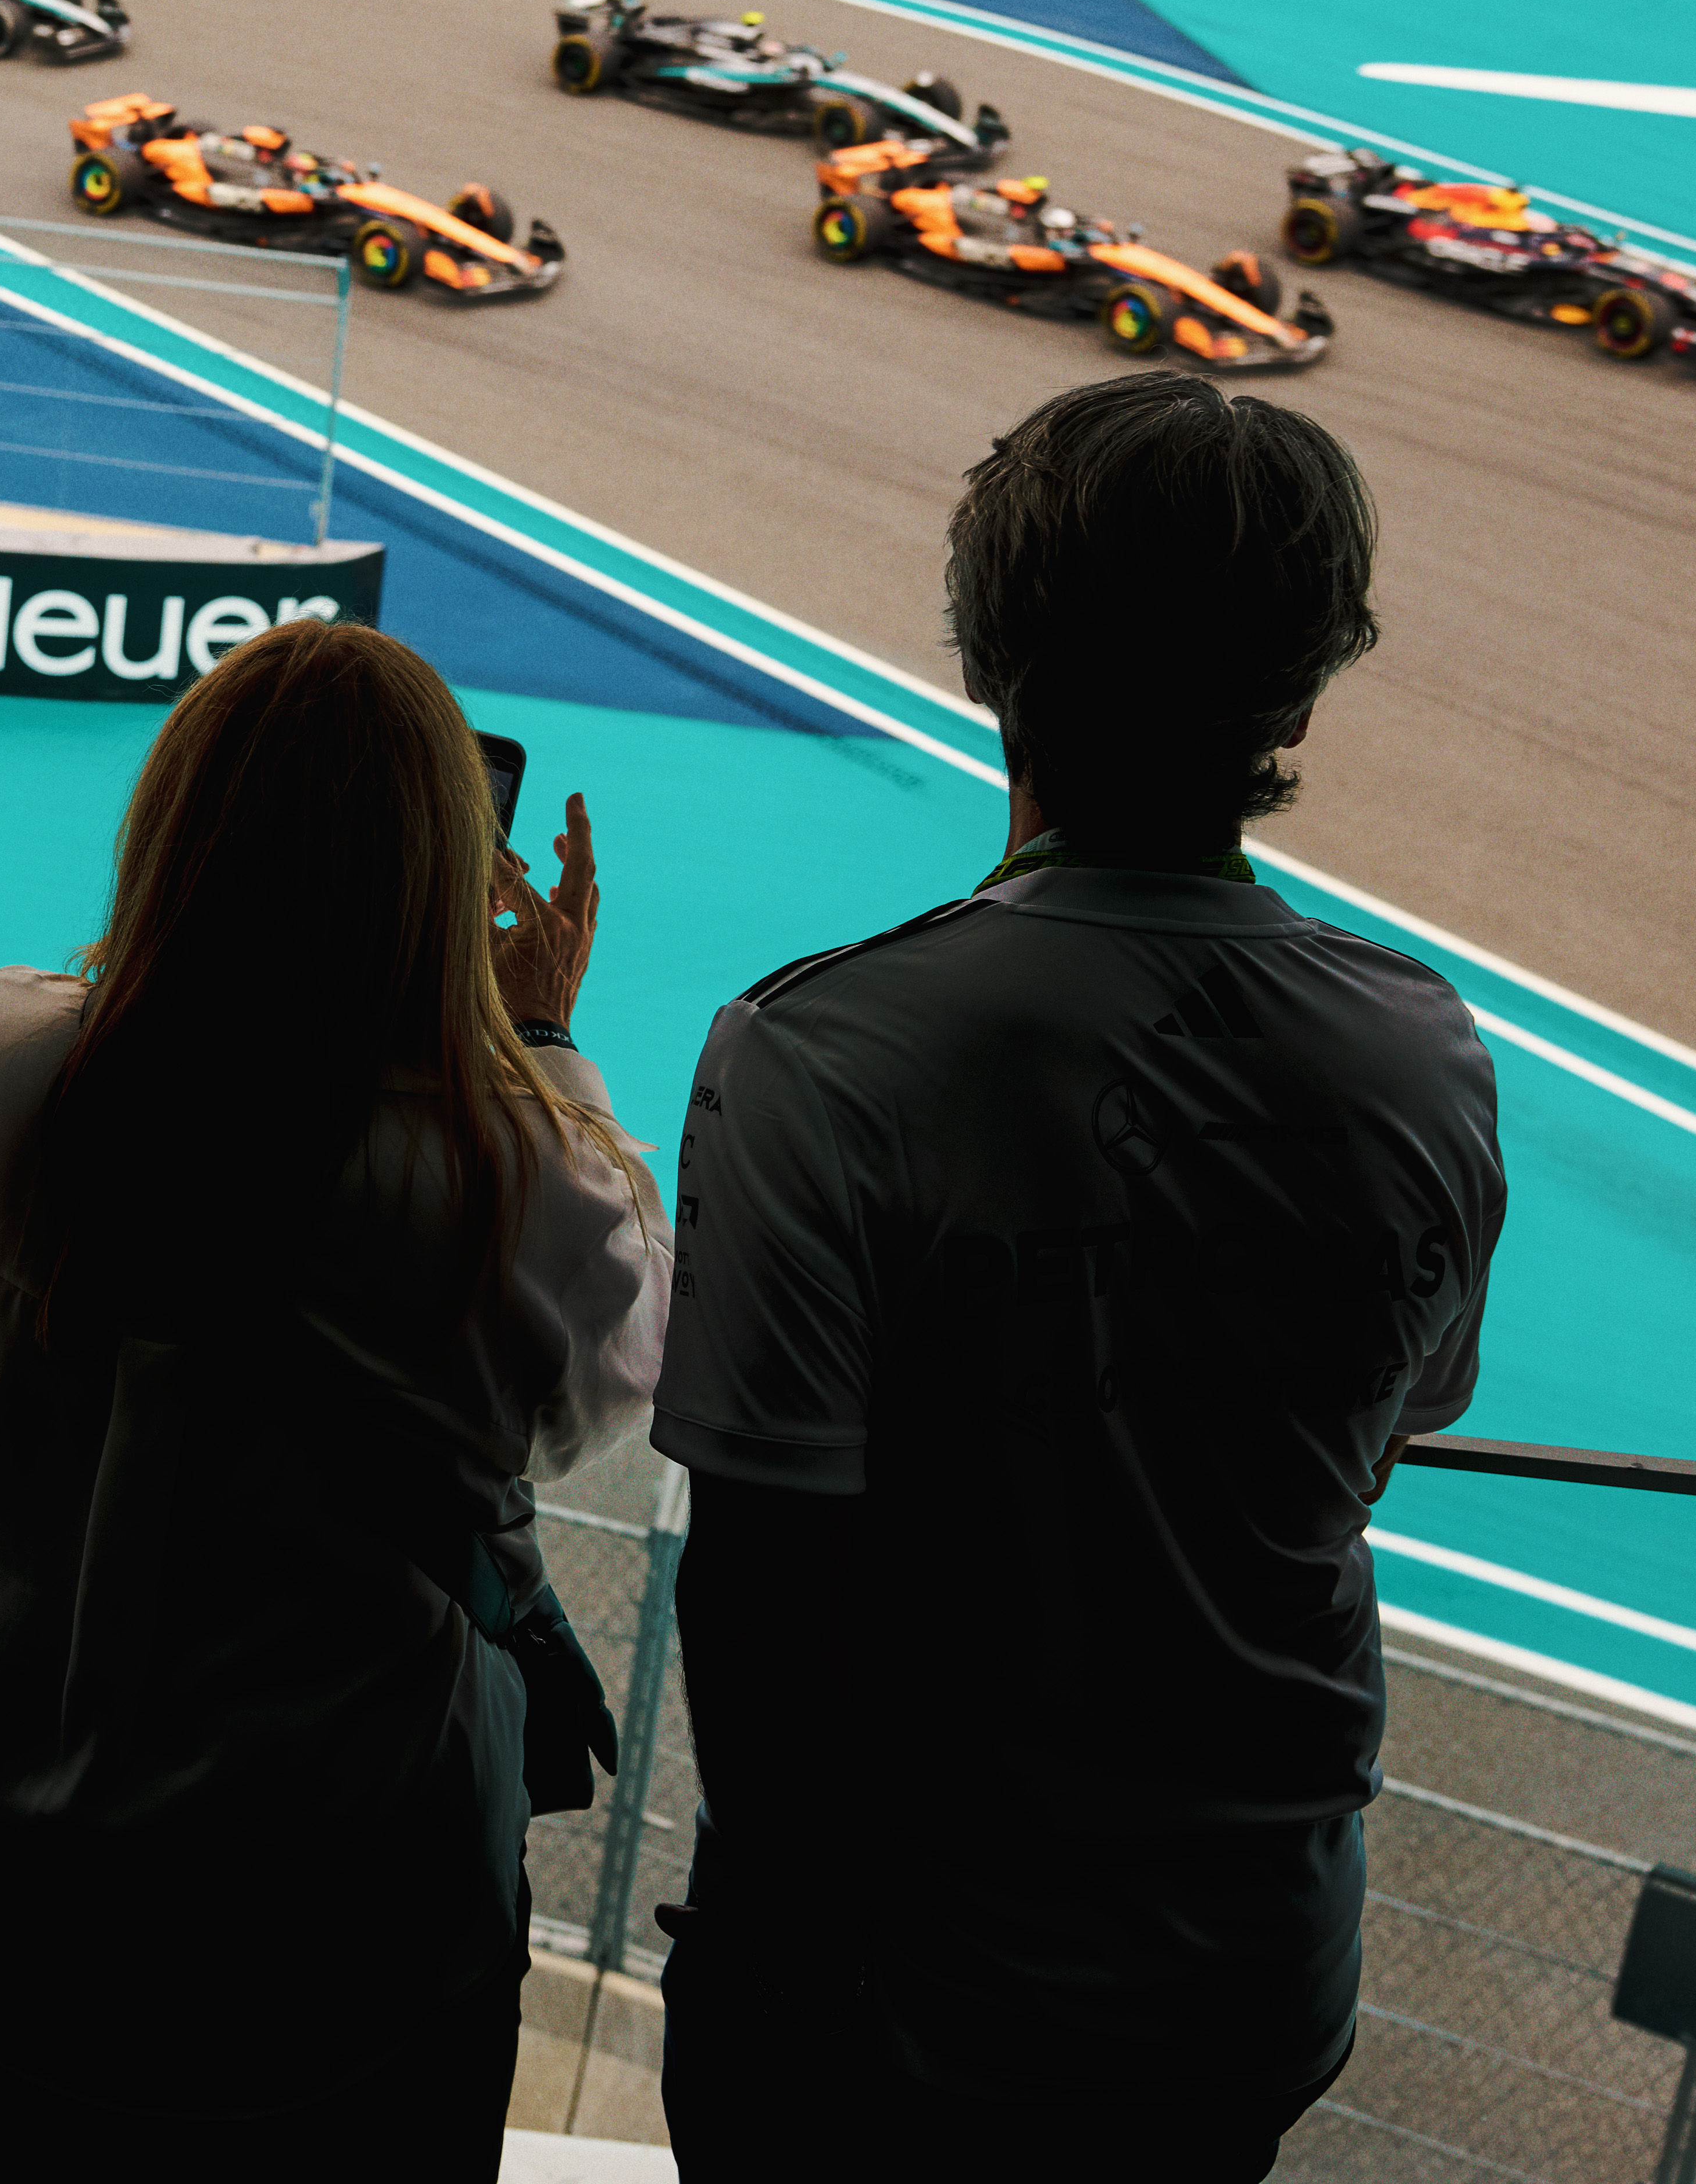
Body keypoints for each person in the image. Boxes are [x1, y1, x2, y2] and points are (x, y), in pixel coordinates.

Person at [652, 372, 1506, 2183]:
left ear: (989, 653)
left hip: (900, 2012)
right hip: (1254, 1983)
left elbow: (758, 1591)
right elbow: (1376, 1432)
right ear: (1303, 688)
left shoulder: (823, 1052)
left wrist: (779, 1969)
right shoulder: (1421, 1052)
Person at [0, 619, 654, 2173]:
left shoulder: (6, 1060)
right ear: (441, 879)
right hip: (329, 1938)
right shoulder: (506, 1185)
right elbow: (606, 1373)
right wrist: (540, 1037)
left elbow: (172, 1056)